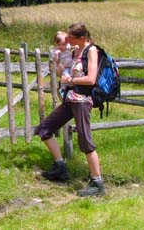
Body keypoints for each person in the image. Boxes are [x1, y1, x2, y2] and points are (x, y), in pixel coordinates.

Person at [36, 22, 105, 197]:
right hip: (70, 99)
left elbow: (91, 79)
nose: (68, 41)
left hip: (82, 101)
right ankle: (60, 167)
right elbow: (63, 72)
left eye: (71, 38)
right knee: (45, 129)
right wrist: (59, 68)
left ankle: (97, 183)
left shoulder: (91, 50)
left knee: (85, 141)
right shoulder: (74, 51)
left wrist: (71, 81)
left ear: (82, 38)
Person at [51, 31, 73, 98]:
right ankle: (63, 89)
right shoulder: (55, 51)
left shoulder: (67, 47)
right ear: (55, 44)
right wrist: (56, 55)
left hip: (71, 65)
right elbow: (55, 61)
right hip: (64, 67)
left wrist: (76, 47)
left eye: (63, 44)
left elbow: (73, 47)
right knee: (65, 76)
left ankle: (72, 89)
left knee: (72, 76)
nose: (61, 46)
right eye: (59, 44)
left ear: (66, 43)